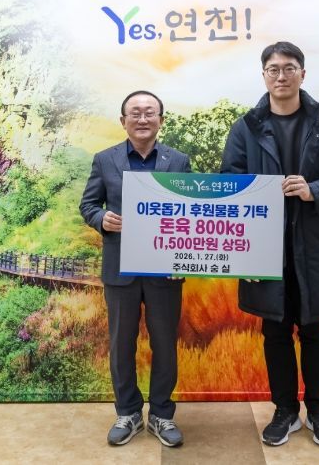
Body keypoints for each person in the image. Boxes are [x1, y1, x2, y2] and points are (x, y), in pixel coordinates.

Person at [220, 42, 319, 447]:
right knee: (275, 330)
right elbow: (229, 182)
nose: (281, 76)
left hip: (314, 245)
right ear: (263, 76)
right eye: (273, 69)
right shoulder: (246, 127)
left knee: (316, 329)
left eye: (289, 68)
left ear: (303, 73)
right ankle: (285, 410)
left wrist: (313, 189)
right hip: (263, 246)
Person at [80, 90, 191, 447]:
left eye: (150, 112)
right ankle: (127, 413)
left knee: (165, 343)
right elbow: (88, 205)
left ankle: (161, 414)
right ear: (123, 120)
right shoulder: (105, 159)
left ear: (161, 119)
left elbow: (190, 211)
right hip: (120, 268)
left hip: (165, 269)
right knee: (121, 344)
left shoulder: (179, 161)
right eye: (135, 113)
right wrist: (102, 219)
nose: (143, 119)